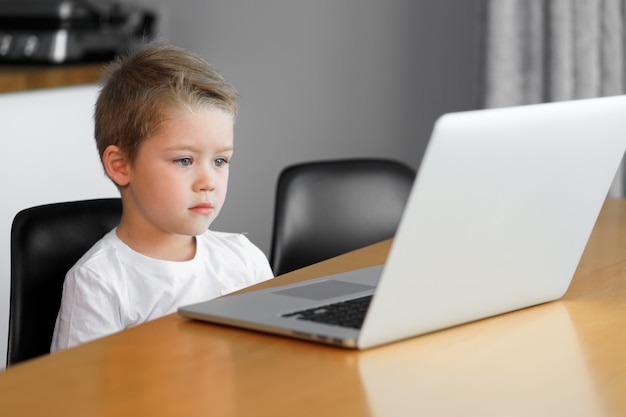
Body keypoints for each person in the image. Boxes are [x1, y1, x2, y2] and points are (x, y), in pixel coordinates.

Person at [51, 43, 274, 351]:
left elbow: (272, 362)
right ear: (121, 166)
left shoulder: (245, 260)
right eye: (184, 160)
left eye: (220, 161)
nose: (208, 181)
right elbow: (77, 393)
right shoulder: (99, 282)